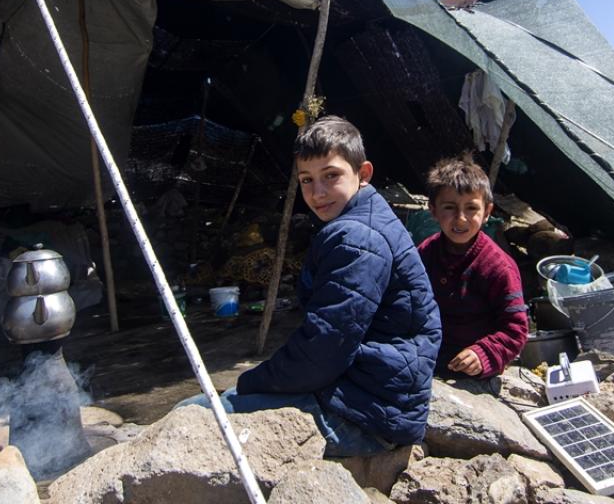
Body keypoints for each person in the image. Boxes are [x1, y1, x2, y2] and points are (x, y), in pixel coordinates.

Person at [183, 115, 441, 456]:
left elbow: (325, 347)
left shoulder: (358, 237)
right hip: (376, 397)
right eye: (307, 180)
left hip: (363, 414)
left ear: (363, 173)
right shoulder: (368, 218)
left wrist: (252, 381)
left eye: (331, 176)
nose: (318, 193)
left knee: (192, 416)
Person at [418, 156, 529, 379]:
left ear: (487, 212)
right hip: (424, 356)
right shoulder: (425, 253)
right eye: (449, 208)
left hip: (468, 369)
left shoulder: (498, 267)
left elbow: (516, 330)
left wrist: (483, 353)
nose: (460, 219)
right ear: (433, 210)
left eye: (471, 208)